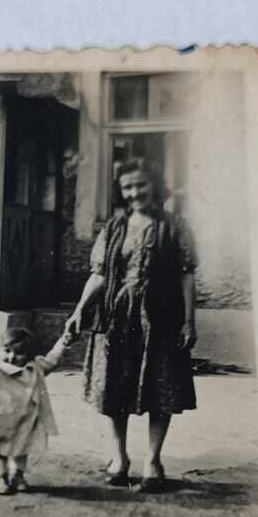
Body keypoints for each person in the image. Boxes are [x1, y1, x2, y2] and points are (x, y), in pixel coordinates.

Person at [66, 160, 197, 492]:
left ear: (153, 185)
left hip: (162, 316)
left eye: (140, 184)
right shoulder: (113, 228)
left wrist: (189, 321)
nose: (134, 192)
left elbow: (186, 275)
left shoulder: (175, 226)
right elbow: (99, 275)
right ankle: (119, 459)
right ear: (120, 192)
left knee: (161, 387)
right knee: (113, 387)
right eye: (127, 187)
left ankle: (153, 462)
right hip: (117, 316)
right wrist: (80, 310)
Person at [0, 325, 72, 495]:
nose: (11, 357)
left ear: (29, 354)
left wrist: (63, 342)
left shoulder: (35, 368)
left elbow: (52, 360)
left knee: (21, 450)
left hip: (24, 420)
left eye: (19, 353)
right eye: (6, 350)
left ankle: (17, 476)